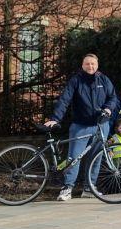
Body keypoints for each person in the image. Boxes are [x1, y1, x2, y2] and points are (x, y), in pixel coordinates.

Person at [44, 54, 117, 201]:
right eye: (87, 64)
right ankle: (67, 188)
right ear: (82, 65)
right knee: (73, 158)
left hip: (101, 126)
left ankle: (89, 188)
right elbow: (65, 99)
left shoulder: (103, 79)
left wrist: (108, 109)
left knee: (96, 158)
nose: (90, 66)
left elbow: (113, 97)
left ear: (97, 65)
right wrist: (55, 118)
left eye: (93, 64)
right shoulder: (76, 80)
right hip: (80, 126)